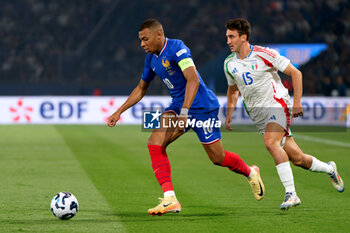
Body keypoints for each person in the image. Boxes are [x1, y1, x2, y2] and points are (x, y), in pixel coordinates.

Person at [107, 19, 265, 216]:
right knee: (155, 142)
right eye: (140, 40)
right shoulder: (151, 59)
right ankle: (170, 198)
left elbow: (193, 79)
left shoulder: (177, 48)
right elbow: (141, 89)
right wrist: (119, 111)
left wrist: (185, 113)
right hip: (178, 107)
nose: (142, 44)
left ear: (158, 35)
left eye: (145, 39)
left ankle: (250, 172)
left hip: (202, 108)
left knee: (217, 158)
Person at [223, 18, 344, 210]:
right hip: (259, 116)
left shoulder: (264, 54)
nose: (228, 41)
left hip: (278, 105)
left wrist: (297, 102)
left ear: (243, 37)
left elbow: (296, 73)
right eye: (227, 37)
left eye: (232, 37)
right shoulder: (229, 64)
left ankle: (291, 194)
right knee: (298, 159)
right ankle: (330, 169)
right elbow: (232, 89)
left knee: (270, 143)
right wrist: (230, 111)